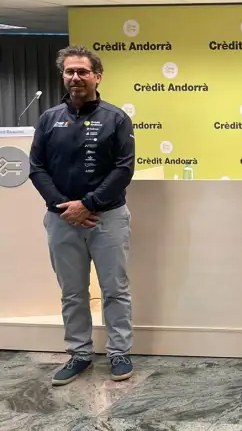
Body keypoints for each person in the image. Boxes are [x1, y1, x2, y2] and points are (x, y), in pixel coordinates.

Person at [28, 45, 136, 386]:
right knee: (72, 292)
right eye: (70, 72)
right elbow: (37, 168)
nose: (75, 77)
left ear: (97, 77)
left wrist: (87, 203)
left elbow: (123, 168)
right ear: (63, 76)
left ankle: (119, 351)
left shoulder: (115, 118)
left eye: (82, 72)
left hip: (108, 219)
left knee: (114, 289)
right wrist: (65, 207)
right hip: (61, 220)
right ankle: (79, 353)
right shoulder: (48, 119)